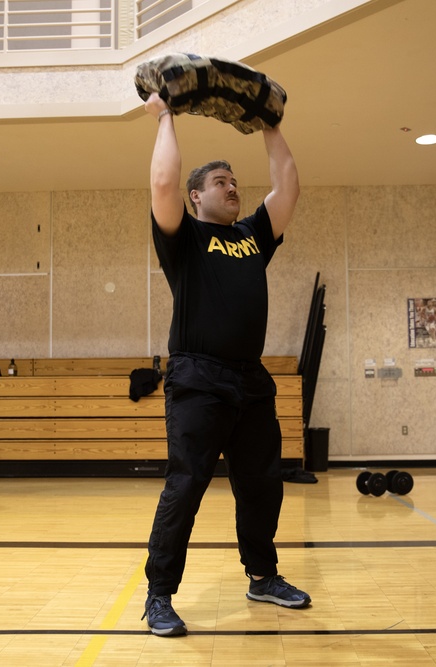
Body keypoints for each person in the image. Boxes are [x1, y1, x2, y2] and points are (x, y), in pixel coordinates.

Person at [140, 94, 310, 636]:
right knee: (186, 484)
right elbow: (162, 185)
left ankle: (262, 575)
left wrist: (270, 125)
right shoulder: (184, 238)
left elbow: (288, 189)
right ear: (196, 197)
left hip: (251, 380)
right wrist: (166, 115)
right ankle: (159, 594)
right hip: (197, 375)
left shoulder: (252, 237)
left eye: (235, 180)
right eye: (220, 181)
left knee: (262, 485)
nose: (233, 187)